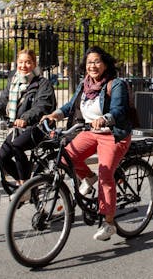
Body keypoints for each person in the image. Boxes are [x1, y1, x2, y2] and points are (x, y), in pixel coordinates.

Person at [42, 46, 132, 242]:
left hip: (113, 134)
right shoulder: (85, 84)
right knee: (65, 159)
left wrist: (105, 119)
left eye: (97, 61)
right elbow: (70, 106)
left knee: (106, 172)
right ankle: (88, 177)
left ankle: (109, 223)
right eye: (90, 62)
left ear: (106, 64)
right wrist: (55, 115)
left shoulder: (116, 84)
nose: (93, 65)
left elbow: (118, 110)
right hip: (91, 132)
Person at [0, 49, 56, 187]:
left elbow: (42, 106)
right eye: (20, 62)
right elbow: (2, 103)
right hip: (18, 128)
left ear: (34, 64)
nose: (23, 66)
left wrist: (25, 118)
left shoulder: (43, 83)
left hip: (37, 127)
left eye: (27, 62)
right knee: (1, 157)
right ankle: (22, 183)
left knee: (17, 145)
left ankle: (25, 185)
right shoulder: (14, 80)